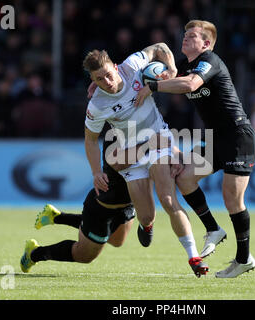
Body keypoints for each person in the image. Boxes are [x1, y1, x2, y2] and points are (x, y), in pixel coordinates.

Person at [135, 20, 255, 278]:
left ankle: (244, 258)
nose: (186, 38)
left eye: (192, 36)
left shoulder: (209, 60)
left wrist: (153, 87)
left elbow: (189, 85)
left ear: (206, 43)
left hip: (237, 136)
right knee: (184, 176)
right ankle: (213, 229)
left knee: (232, 199)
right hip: (215, 139)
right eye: (185, 35)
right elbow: (169, 70)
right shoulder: (188, 67)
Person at [82, 44, 208, 277]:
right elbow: (90, 140)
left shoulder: (132, 66)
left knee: (169, 201)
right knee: (147, 214)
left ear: (116, 67)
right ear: (93, 81)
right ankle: (146, 224)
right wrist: (95, 172)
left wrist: (171, 69)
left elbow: (160, 47)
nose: (107, 82)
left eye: (108, 75)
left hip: (158, 141)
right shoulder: (97, 105)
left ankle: (194, 257)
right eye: (99, 79)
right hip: (132, 153)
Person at [20, 135, 135, 272]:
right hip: (105, 203)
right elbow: (92, 138)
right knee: (85, 255)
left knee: (117, 240)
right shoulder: (120, 129)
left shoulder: (153, 127)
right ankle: (34, 254)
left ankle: (56, 217)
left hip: (128, 201)